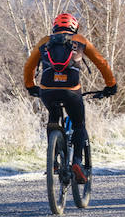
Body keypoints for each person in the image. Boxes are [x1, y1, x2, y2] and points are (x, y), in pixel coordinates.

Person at [23, 12, 117, 184]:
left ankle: (53, 161)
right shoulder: (80, 40)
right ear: (74, 27)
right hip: (72, 90)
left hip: (47, 91)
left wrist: (30, 86)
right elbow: (101, 63)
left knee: (53, 118)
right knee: (79, 124)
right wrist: (111, 85)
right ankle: (77, 162)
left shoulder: (45, 41)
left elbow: (29, 66)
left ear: (55, 27)